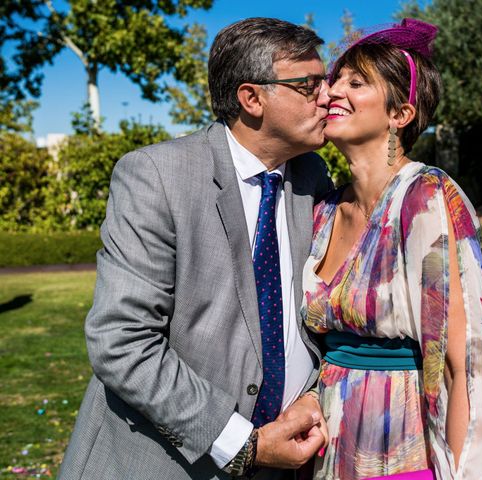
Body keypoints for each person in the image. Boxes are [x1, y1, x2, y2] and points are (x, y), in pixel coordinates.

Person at [59, 17, 333, 480]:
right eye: (309, 85)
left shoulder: (313, 178)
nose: (328, 96)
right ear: (252, 98)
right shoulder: (155, 175)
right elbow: (121, 341)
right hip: (158, 465)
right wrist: (244, 444)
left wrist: (312, 392)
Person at [301, 19, 482, 479]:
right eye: (334, 79)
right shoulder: (323, 209)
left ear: (399, 115)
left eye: (356, 83)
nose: (331, 92)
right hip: (329, 440)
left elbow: (463, 362)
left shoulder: (425, 196)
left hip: (399, 439)